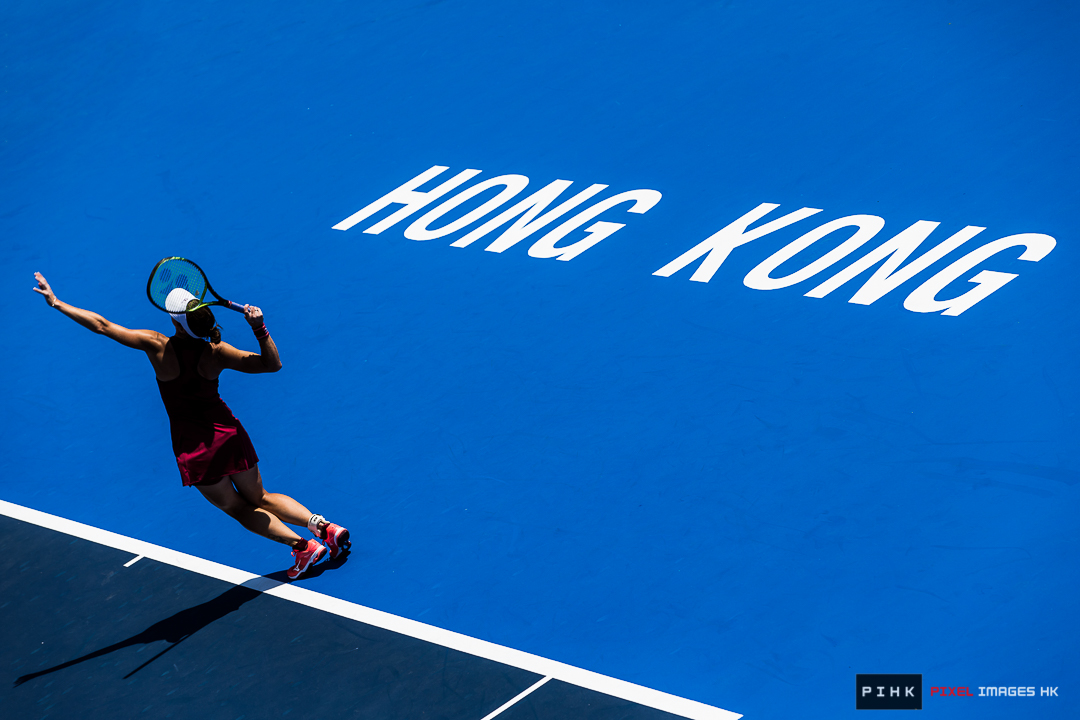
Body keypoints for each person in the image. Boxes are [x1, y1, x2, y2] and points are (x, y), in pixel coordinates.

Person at [32, 271, 349, 579]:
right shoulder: (216, 351)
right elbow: (272, 365)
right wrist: (259, 328)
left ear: (175, 322)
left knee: (236, 506)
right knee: (261, 496)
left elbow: (102, 326)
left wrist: (57, 302)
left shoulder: (156, 345)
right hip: (228, 433)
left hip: (196, 447)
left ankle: (303, 546)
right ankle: (325, 528)